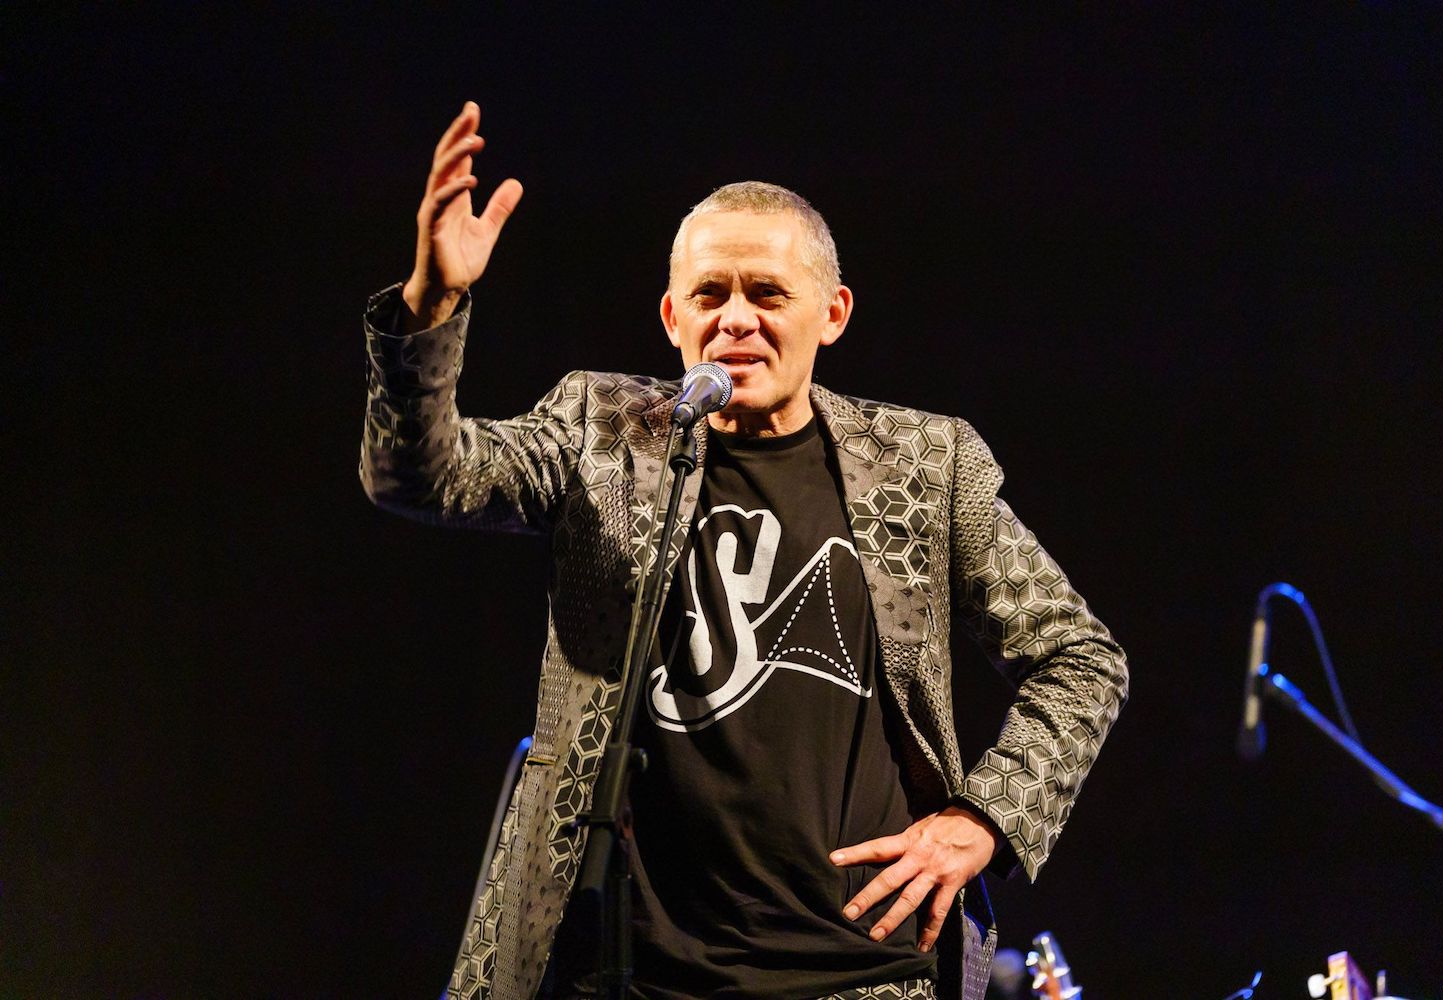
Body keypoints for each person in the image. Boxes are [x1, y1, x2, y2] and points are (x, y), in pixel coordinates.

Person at [361, 102, 1128, 1000]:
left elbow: (1081, 656)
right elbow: (423, 477)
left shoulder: (924, 465)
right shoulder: (602, 431)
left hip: (863, 974)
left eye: (767, 294)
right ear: (671, 316)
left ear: (832, 314)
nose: (735, 319)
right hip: (634, 973)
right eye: (710, 295)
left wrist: (985, 819)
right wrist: (431, 305)